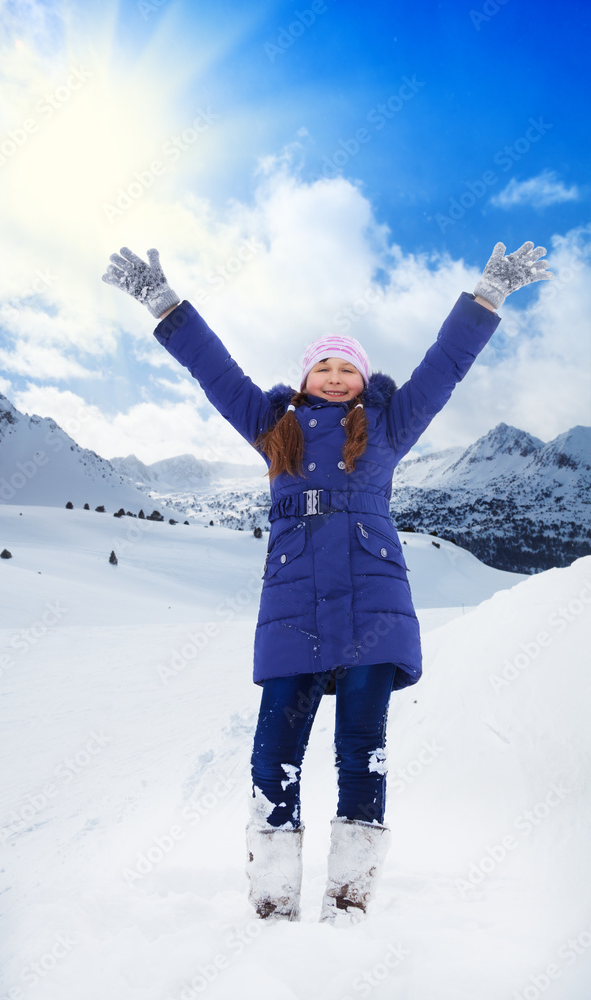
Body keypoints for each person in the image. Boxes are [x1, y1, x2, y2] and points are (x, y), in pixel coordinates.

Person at [101, 240, 552, 925]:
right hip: (291, 615)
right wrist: (164, 303)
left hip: (374, 610)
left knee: (360, 753)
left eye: (347, 368)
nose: (337, 377)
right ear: (305, 376)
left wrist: (486, 295)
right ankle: (274, 898)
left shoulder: (387, 428)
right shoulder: (271, 428)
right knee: (272, 755)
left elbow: (444, 367)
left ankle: (348, 897)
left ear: (361, 379)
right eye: (324, 367)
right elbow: (212, 369)